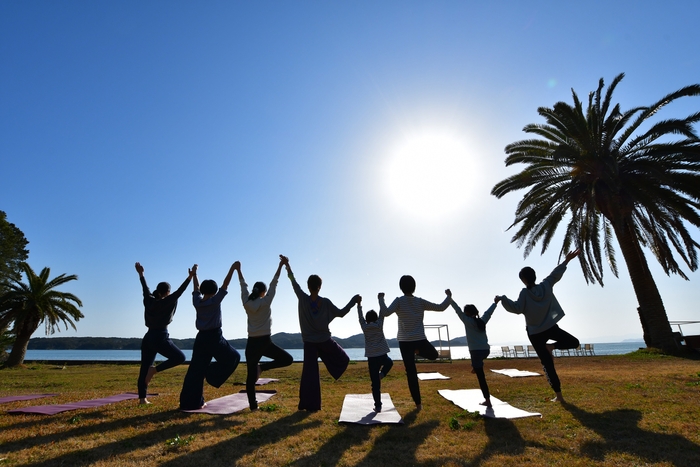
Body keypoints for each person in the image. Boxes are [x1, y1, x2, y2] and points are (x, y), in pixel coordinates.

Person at [498, 249, 581, 402]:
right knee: (574, 343)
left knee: (547, 364)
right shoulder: (546, 285)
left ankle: (559, 396)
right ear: (534, 277)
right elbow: (555, 274)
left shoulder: (525, 293)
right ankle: (553, 347)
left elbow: (516, 309)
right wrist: (566, 260)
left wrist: (503, 299)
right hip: (550, 327)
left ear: (523, 279)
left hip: (535, 333)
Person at [283, 255, 361, 411]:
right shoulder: (325, 302)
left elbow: (293, 282)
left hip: (310, 343)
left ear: (308, 286)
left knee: (309, 375)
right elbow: (341, 313)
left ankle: (308, 405)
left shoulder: (303, 298)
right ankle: (319, 394)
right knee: (343, 359)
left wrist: (287, 265)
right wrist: (353, 301)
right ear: (319, 286)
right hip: (325, 342)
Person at [379, 276, 451, 411]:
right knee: (433, 355)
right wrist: (448, 296)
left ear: (401, 288)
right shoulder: (419, 302)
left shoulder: (399, 301)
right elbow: (441, 307)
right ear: (414, 287)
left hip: (405, 342)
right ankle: (418, 404)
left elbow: (385, 312)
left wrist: (381, 299)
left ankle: (418, 405)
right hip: (418, 340)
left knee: (411, 372)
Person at [234, 256, 294, 411]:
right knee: (287, 359)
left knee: (250, 376)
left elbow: (243, 285)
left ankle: (253, 406)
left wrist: (239, 270)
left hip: (252, 343)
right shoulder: (266, 301)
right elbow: (275, 283)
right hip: (265, 342)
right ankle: (263, 368)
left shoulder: (246, 303)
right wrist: (281, 265)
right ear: (263, 292)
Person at [179, 263, 241, 410]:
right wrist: (232, 268)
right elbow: (225, 284)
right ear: (214, 291)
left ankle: (191, 403)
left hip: (201, 338)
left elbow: (196, 288)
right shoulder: (215, 300)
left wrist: (194, 275)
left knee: (195, 371)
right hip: (214, 337)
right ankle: (211, 374)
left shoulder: (197, 302)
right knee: (234, 357)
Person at [134, 262, 194, 405]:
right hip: (160, 336)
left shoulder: (149, 300)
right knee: (180, 357)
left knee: (144, 368)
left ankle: (142, 398)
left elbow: (145, 288)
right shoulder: (167, 301)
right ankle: (155, 370)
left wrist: (141, 274)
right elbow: (180, 291)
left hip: (148, 337)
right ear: (167, 292)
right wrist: (190, 277)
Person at [450, 296, 500, 407]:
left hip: (475, 352)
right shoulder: (481, 321)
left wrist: (450, 298)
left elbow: (457, 310)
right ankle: (475, 365)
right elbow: (489, 313)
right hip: (486, 350)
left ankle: (487, 400)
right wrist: (495, 303)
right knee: (477, 364)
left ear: (467, 313)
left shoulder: (467, 321)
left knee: (481, 377)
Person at [357, 297, 393, 412]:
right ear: (376, 318)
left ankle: (378, 406)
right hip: (382, 355)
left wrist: (359, 305)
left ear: (367, 320)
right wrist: (381, 299)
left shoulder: (365, 327)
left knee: (375, 384)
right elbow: (382, 313)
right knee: (390, 362)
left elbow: (360, 318)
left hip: (372, 358)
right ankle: (382, 374)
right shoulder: (379, 325)